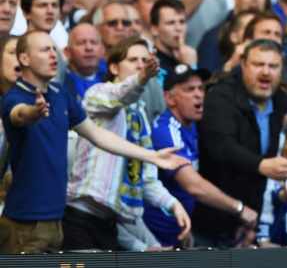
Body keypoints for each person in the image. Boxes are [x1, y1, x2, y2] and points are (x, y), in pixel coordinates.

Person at [0, 31, 188, 254]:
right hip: (29, 221)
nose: (53, 55)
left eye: (53, 48)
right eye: (44, 50)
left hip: (59, 219)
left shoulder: (60, 94)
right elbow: (19, 114)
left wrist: (152, 156)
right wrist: (33, 113)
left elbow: (97, 135)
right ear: (24, 59)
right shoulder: (16, 97)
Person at [65, 37, 191, 252]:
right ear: (114, 67)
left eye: (144, 60)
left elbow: (145, 179)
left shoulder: (140, 115)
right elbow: (119, 95)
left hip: (111, 222)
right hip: (79, 217)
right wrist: (142, 78)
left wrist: (174, 205)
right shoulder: (98, 93)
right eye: (133, 60)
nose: (140, 65)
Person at [144, 65, 260, 248]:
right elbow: (193, 186)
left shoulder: (191, 127)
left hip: (177, 231)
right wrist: (239, 208)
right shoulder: (166, 131)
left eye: (201, 88)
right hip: (154, 236)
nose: (198, 94)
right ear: (169, 98)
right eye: (190, 89)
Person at [194, 39, 287, 248]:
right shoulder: (220, 97)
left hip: (243, 225)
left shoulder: (280, 103)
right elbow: (220, 146)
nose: (266, 72)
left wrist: (250, 222)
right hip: (206, 225)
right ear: (243, 64)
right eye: (258, 64)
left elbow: (257, 180)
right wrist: (261, 165)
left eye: (273, 66)